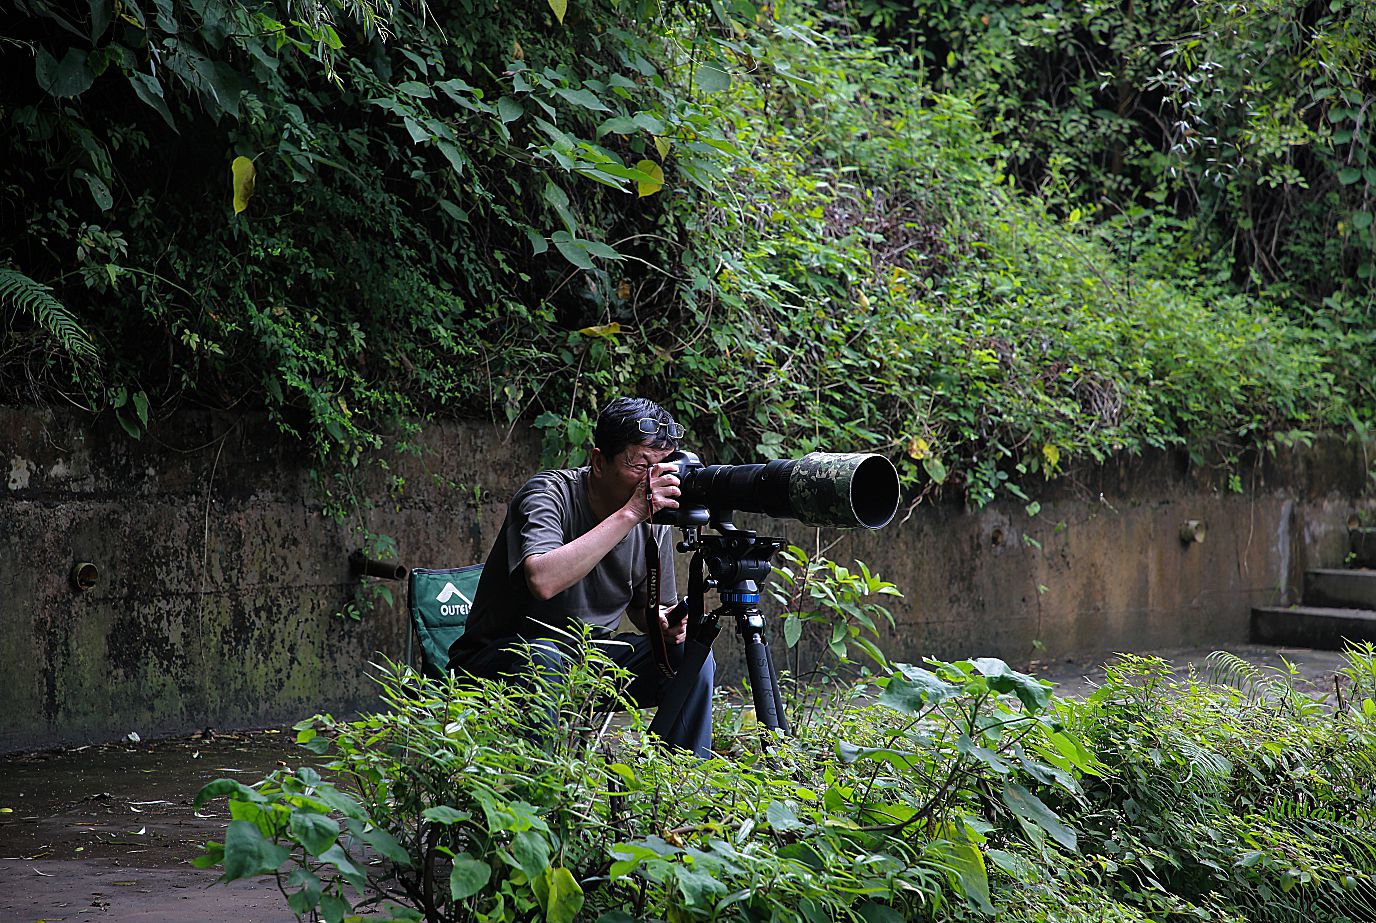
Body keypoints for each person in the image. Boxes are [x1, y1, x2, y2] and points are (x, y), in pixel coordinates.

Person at [447, 396, 714, 757]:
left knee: (692, 657)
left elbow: (644, 609)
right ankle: (541, 793)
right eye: (640, 466)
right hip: (503, 658)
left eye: (662, 468)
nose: (651, 481)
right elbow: (542, 580)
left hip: (590, 660)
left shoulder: (653, 516)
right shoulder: (548, 495)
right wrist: (632, 512)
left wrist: (664, 623)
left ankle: (674, 782)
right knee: (543, 656)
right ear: (599, 461)